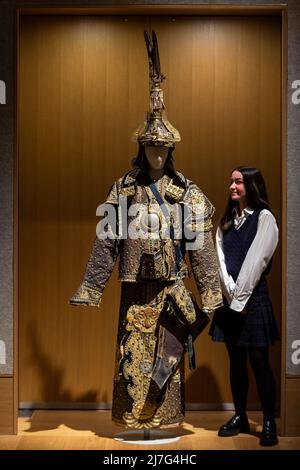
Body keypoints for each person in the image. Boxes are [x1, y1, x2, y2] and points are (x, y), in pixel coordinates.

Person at [70, 30, 222, 429]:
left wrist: (209, 291)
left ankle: (164, 421)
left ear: (171, 150)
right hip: (136, 288)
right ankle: (134, 422)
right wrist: (92, 285)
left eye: (163, 148)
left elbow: (202, 244)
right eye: (151, 147)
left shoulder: (185, 191)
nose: (157, 153)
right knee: (133, 355)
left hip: (171, 287)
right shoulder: (124, 188)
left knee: (166, 357)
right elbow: (107, 242)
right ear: (142, 148)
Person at [209, 166, 280, 446]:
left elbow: (256, 261)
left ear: (251, 185)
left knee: (259, 361)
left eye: (238, 182)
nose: (232, 186)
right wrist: (231, 297)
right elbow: (220, 260)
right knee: (236, 361)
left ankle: (268, 423)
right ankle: (239, 416)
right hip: (231, 300)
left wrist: (241, 299)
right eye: (231, 182)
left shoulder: (264, 218)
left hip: (254, 298)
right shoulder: (226, 221)